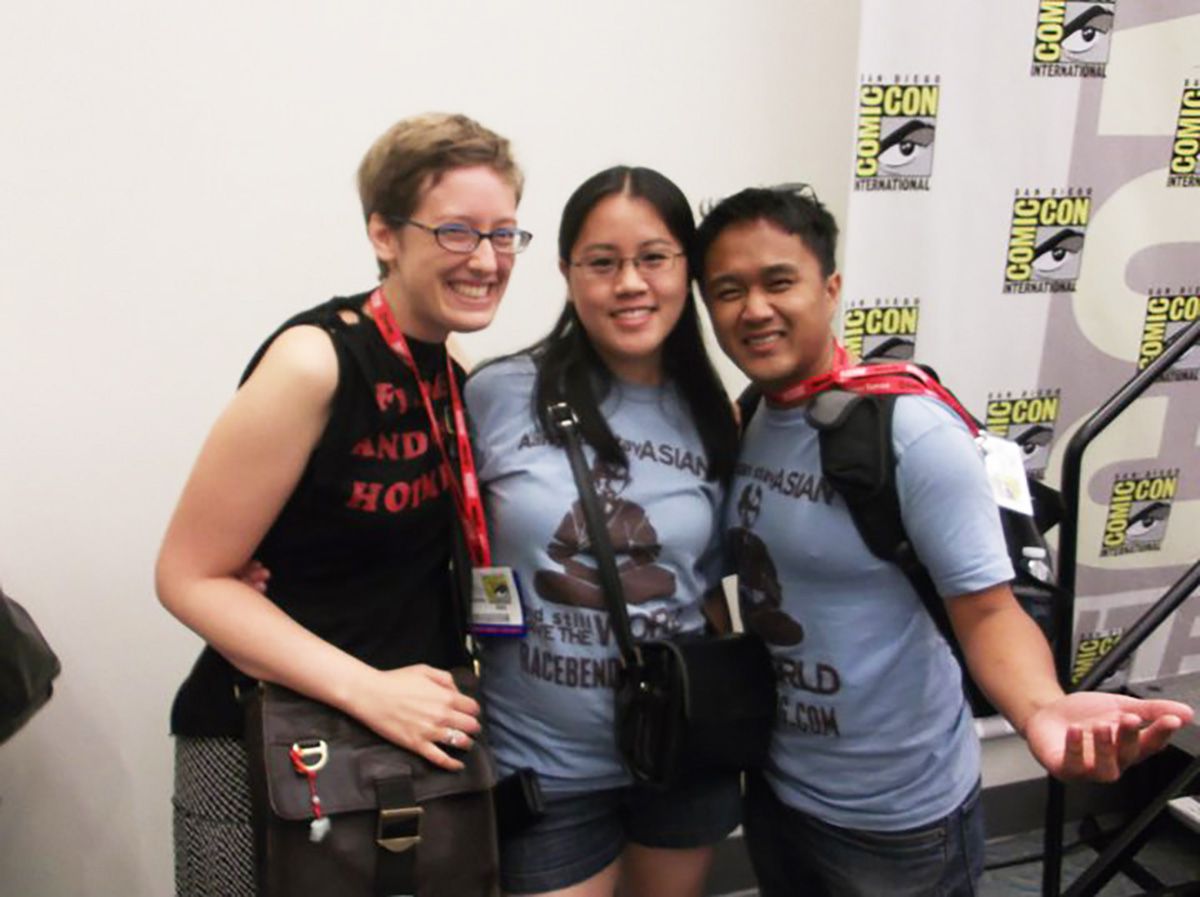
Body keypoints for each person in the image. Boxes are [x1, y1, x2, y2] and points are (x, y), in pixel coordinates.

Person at [691, 184, 1196, 897]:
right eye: (727, 290)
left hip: (901, 827)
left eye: (779, 281)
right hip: (779, 796)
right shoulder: (748, 421)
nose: (754, 309)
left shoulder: (910, 431)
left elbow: (987, 611)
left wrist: (1042, 706)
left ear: (829, 288)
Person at [155, 112, 528, 896]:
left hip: (398, 743)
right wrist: (372, 688)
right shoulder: (314, 361)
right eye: (457, 232)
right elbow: (188, 576)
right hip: (268, 746)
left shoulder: (449, 366)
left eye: (504, 234)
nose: (487, 260)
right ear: (384, 234)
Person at [463, 165, 740, 897]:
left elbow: (708, 590)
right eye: (602, 262)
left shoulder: (717, 415)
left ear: (688, 269)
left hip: (679, 751)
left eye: (654, 257)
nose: (630, 283)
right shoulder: (497, 394)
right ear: (566, 272)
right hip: (543, 766)